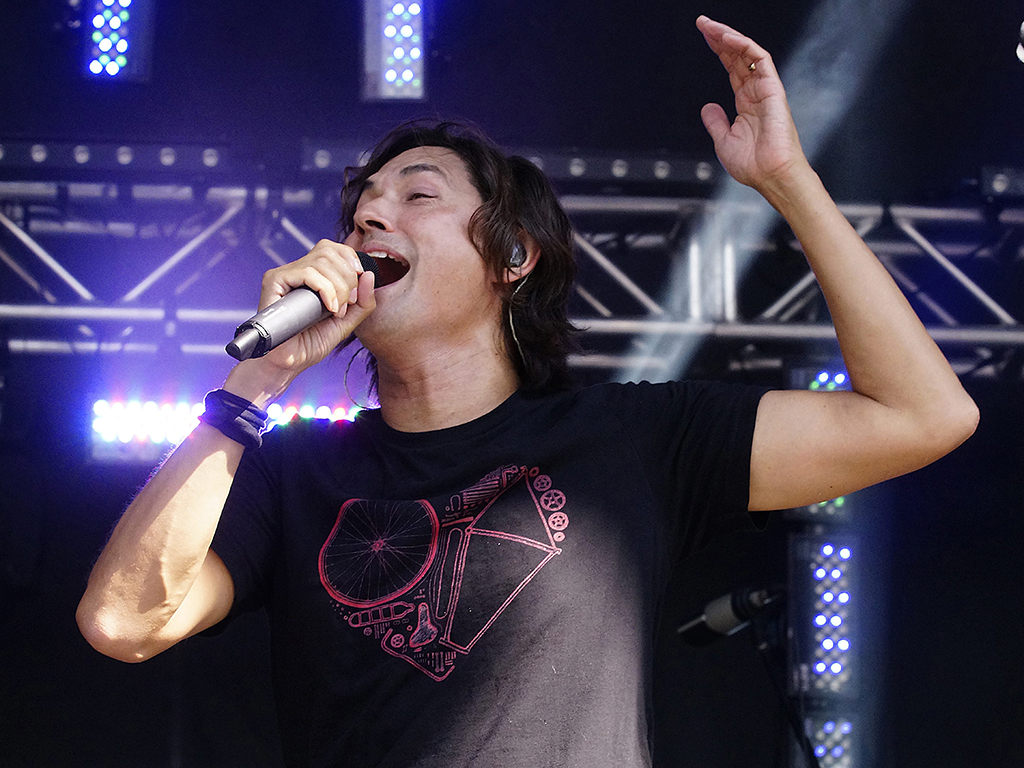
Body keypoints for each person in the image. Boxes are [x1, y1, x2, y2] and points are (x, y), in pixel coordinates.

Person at [77, 16, 978, 768]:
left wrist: (789, 182)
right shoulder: (294, 474)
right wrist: (256, 382)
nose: (370, 216)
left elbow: (922, 415)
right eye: (360, 206)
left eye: (415, 193)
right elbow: (122, 622)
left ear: (512, 256)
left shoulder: (630, 439)